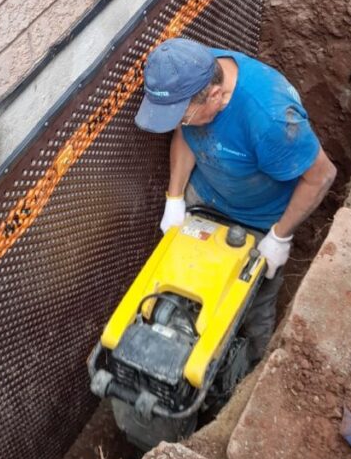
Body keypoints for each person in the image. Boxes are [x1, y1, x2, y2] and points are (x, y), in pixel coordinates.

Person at [135, 36, 336, 364]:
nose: (181, 123)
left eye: (183, 116)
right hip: (205, 198)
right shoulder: (191, 71)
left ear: (215, 95)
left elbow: (321, 175)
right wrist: (175, 198)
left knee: (253, 305)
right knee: (184, 279)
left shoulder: (270, 119)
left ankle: (250, 368)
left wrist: (279, 236)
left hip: (258, 220)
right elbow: (183, 134)